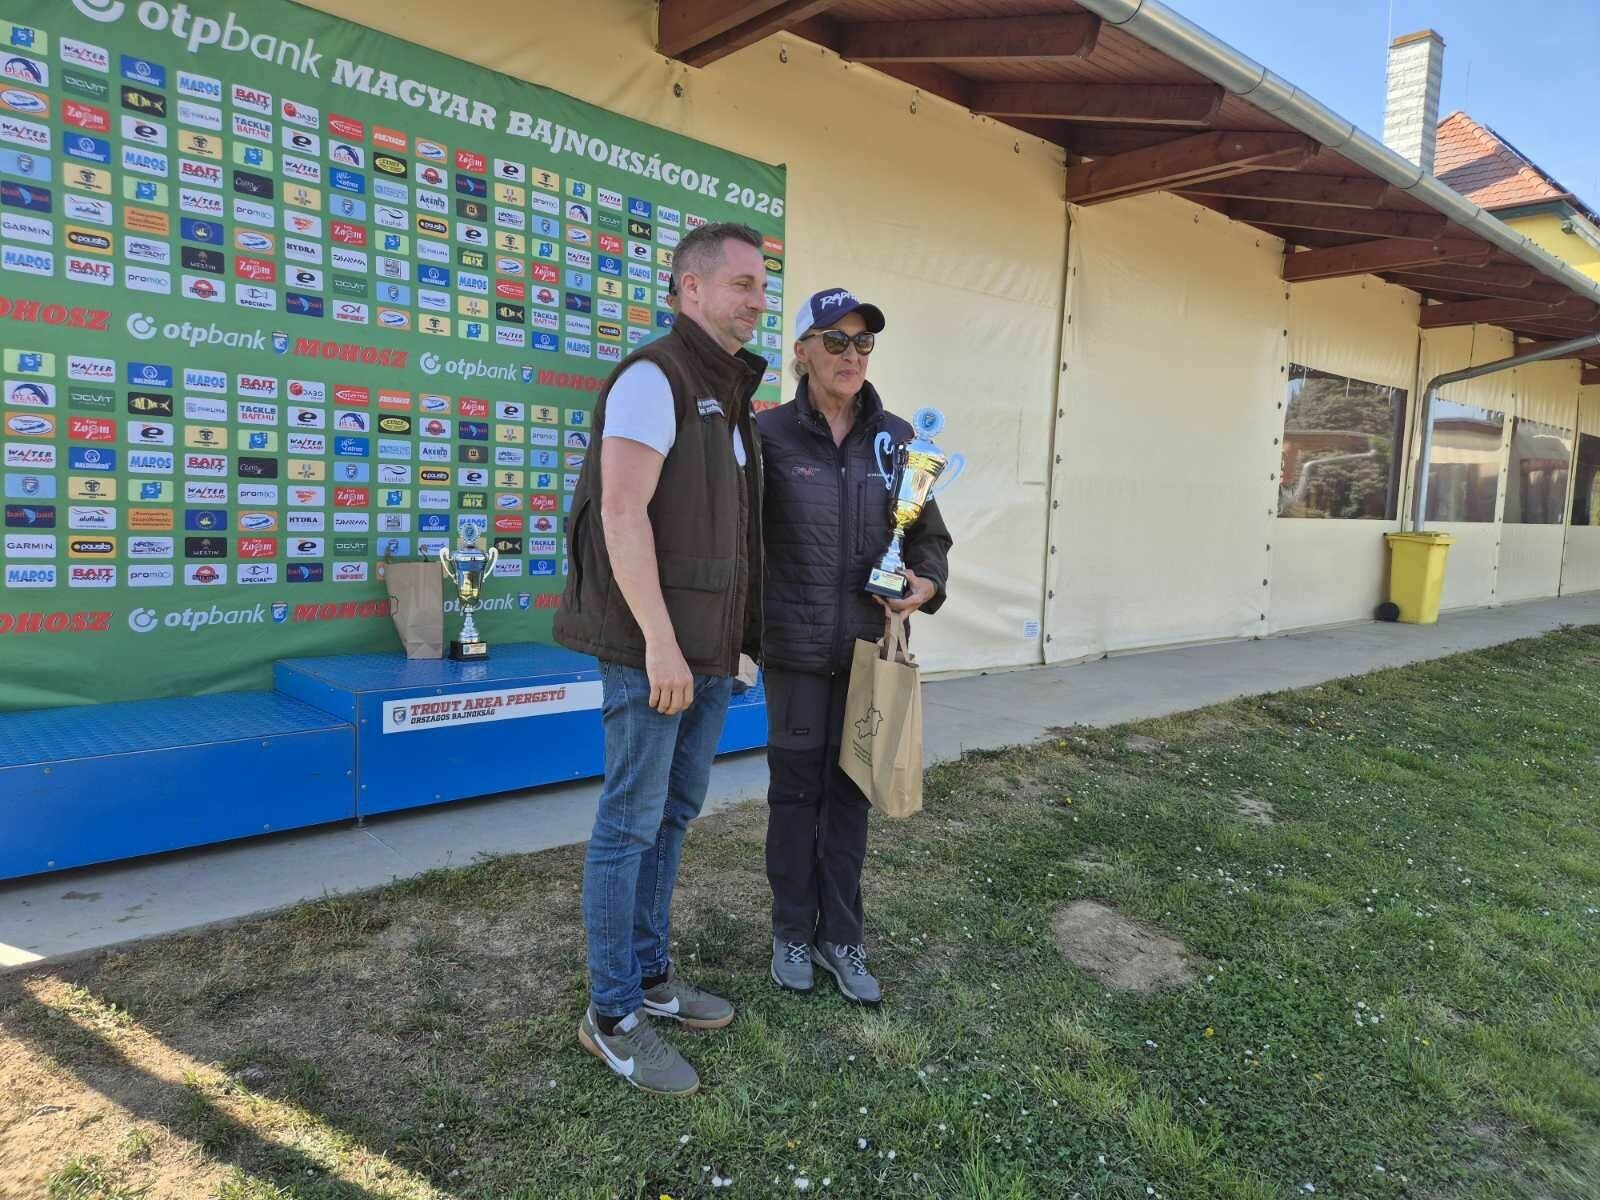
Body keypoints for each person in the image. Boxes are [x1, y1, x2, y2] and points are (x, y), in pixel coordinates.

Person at [554, 222, 769, 1095]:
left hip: (706, 653)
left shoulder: (731, 392)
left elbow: (731, 536)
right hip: (656, 652)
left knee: (672, 815)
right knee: (629, 824)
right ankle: (611, 1015)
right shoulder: (655, 377)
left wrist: (737, 644)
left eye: (763, 285)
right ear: (690, 289)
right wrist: (660, 644)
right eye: (742, 284)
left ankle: (648, 977)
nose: (758, 300)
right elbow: (621, 512)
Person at [755, 288, 953, 1005]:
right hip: (794, 650)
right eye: (834, 341)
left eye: (863, 342)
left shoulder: (898, 440)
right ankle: (789, 930)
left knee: (850, 797)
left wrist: (923, 584)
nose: (851, 355)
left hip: (870, 652)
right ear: (803, 352)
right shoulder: (767, 436)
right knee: (794, 795)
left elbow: (928, 539)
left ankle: (841, 936)